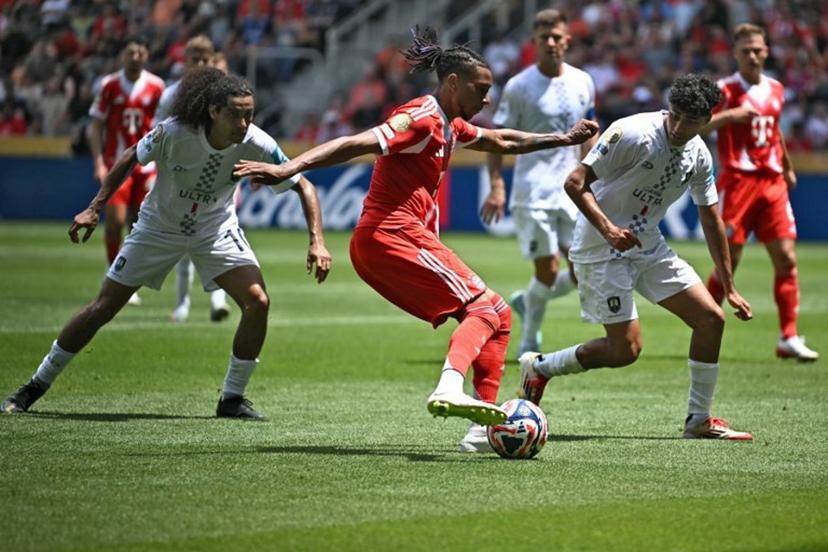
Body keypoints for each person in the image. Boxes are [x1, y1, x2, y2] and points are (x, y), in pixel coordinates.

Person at [233, 26, 598, 449]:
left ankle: (482, 429)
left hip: (393, 241)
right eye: (481, 90)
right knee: (485, 305)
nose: (487, 99)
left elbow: (500, 138)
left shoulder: (450, 124)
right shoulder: (421, 118)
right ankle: (448, 386)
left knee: (498, 317)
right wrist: (288, 168)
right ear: (453, 83)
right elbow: (356, 142)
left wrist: (560, 138)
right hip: (390, 235)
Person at [1, 67, 332, 418]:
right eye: (236, 114)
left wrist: (318, 242)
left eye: (250, 114)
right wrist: (94, 208)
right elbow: (131, 155)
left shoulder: (258, 143)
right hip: (158, 226)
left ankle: (232, 399)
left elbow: (304, 185)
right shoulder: (175, 133)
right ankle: (34, 386)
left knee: (258, 301)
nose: (244, 123)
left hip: (214, 230)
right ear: (214, 111)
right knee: (103, 308)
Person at [519, 74, 755, 441]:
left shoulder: (699, 157)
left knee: (711, 319)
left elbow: (711, 217)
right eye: (674, 115)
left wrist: (730, 285)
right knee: (625, 350)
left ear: (707, 119)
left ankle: (699, 420)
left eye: (690, 120)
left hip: (648, 244)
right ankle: (541, 367)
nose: (678, 126)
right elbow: (574, 182)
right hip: (601, 248)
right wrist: (609, 230)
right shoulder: (632, 132)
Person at [481, 9, 598, 358]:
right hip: (533, 191)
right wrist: (497, 185)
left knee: (583, 272)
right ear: (533, 42)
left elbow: (590, 132)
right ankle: (530, 339)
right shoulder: (519, 86)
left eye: (556, 36)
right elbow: (496, 138)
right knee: (547, 271)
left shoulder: (583, 81)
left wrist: (593, 176)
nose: (551, 43)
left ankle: (526, 299)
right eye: (544, 37)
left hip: (571, 190)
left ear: (567, 40)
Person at [704, 24, 818, 361]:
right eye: (746, 51)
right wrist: (729, 115)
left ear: (767, 51)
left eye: (758, 49)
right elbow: (697, 125)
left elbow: (775, 130)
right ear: (735, 54)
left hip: (772, 183)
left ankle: (788, 337)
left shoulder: (777, 88)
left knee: (786, 258)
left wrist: (787, 165)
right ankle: (702, 320)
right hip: (738, 181)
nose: (752, 55)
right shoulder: (724, 90)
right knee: (730, 260)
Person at [154, 35, 232, 323]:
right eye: (194, 59)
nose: (199, 64)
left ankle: (217, 300)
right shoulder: (170, 96)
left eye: (204, 59)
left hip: (218, 178)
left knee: (219, 236)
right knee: (184, 243)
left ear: (212, 61)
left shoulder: (227, 97)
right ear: (184, 61)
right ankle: (183, 304)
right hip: (180, 180)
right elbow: (156, 137)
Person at [87, 36, 165, 306]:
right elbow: (96, 125)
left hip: (147, 165)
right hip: (117, 163)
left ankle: (128, 279)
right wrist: (98, 162)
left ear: (146, 55)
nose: (136, 56)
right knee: (116, 221)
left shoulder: (156, 86)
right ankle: (113, 273)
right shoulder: (109, 85)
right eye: (131, 51)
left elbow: (163, 126)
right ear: (123, 55)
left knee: (139, 224)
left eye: (141, 51)